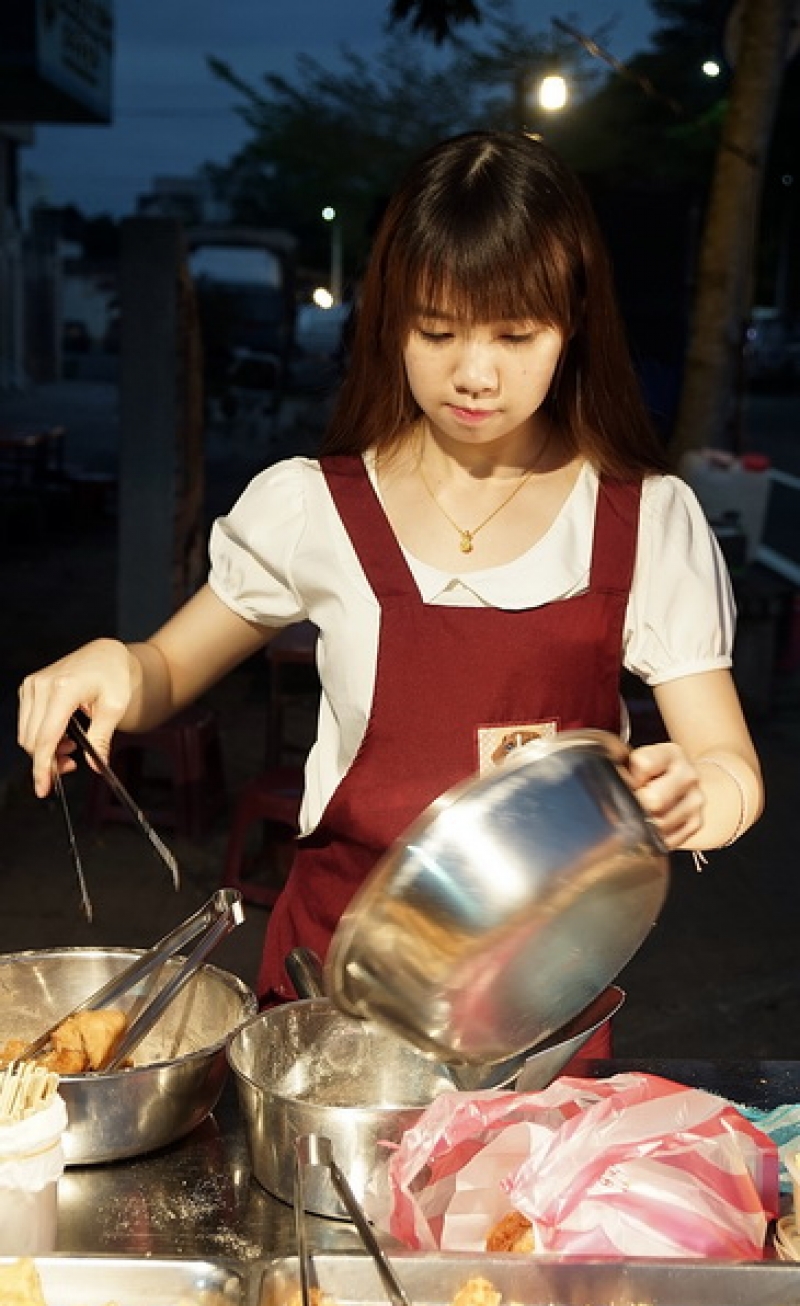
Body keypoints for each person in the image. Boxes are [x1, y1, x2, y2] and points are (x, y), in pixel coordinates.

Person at [18, 130, 763, 1022]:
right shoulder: (315, 506)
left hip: (541, 1006)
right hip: (334, 995)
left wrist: (697, 797)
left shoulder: (642, 519)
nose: (475, 374)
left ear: (573, 324)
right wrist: (115, 665)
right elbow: (167, 669)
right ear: (387, 321)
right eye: (437, 331)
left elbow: (731, 766)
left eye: (516, 334)